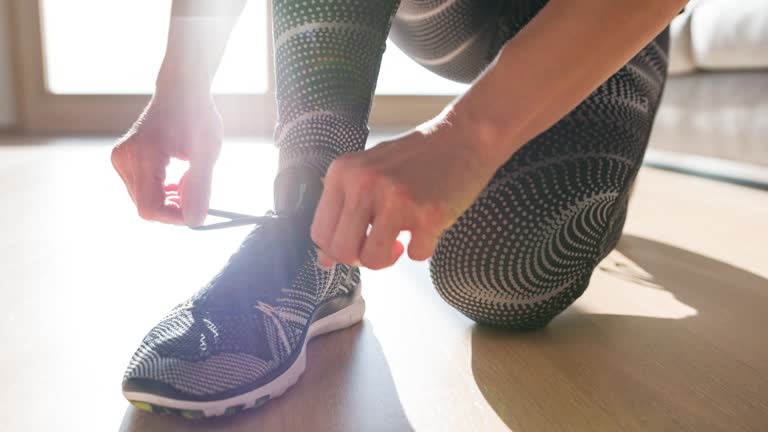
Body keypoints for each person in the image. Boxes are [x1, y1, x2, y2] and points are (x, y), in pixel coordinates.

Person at [114, 0, 684, 419]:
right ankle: (310, 235)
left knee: (503, 273)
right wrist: (182, 83)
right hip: (449, 15)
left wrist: (467, 141)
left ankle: (586, 132)